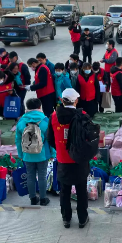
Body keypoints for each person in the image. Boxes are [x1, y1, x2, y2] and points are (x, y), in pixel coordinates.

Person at [47, 88, 91, 228]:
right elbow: (89, 138)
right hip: (79, 160)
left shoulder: (54, 116)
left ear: (62, 100)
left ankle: (66, 218)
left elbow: (50, 138)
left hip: (63, 160)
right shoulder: (83, 115)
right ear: (76, 101)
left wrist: (61, 149)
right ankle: (82, 218)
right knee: (81, 190)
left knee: (64, 191)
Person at [16, 97, 55, 206]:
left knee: (30, 176)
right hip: (42, 154)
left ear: (27, 107)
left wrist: (20, 154)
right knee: (42, 176)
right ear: (40, 107)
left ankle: (33, 198)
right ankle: (43, 199)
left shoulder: (22, 121)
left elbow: (18, 140)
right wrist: (53, 153)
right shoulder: (45, 120)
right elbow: (51, 139)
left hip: (27, 154)